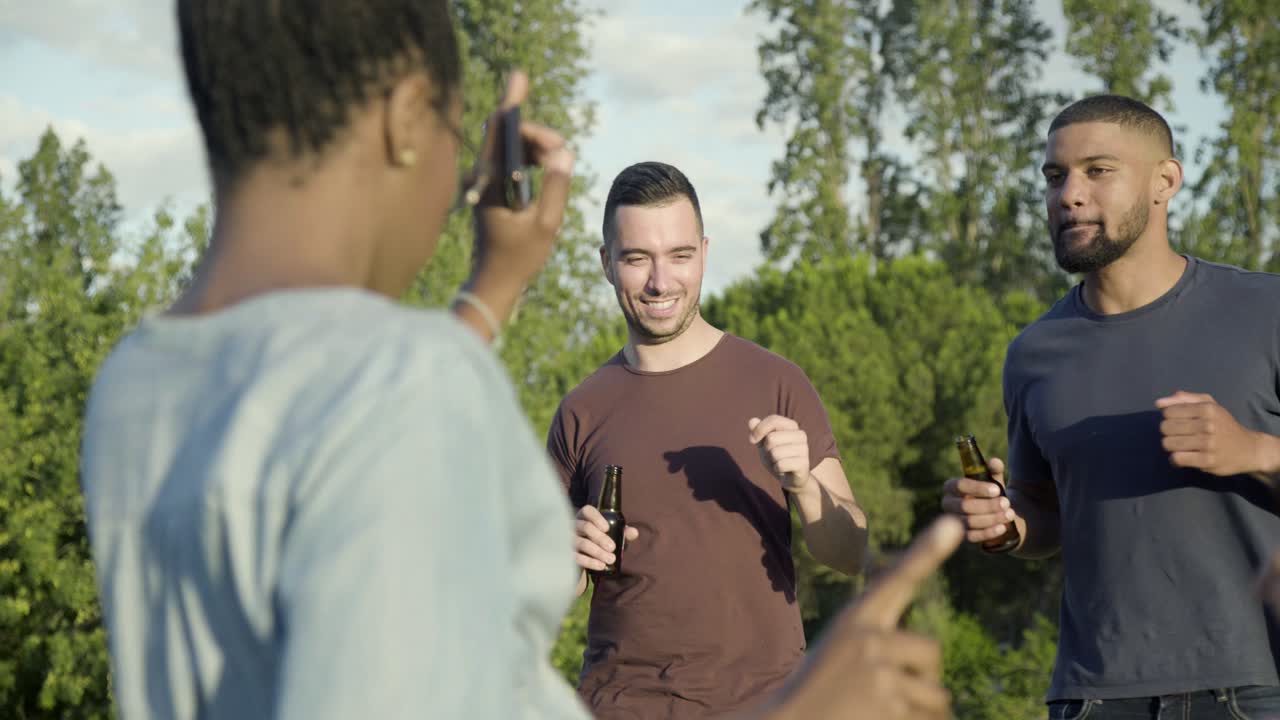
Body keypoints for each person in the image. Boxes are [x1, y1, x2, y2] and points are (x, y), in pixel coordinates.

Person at [78, 2, 950, 719]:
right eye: (458, 132)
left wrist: (488, 291)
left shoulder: (135, 381)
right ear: (403, 118)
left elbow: (332, 426)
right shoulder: (422, 380)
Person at [941, 94, 1280, 719]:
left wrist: (1255, 450)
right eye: (1054, 175)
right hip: (1093, 695)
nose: (1069, 194)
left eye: (1098, 170)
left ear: (1165, 182)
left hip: (1256, 688)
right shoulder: (1033, 352)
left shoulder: (1265, 311)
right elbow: (1044, 512)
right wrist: (1007, 524)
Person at [547, 161, 870, 718]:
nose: (660, 281)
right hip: (620, 704)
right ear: (606, 263)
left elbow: (851, 552)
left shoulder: (775, 381)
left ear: (704, 251)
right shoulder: (580, 410)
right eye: (636, 258)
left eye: (679, 256)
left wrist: (805, 487)